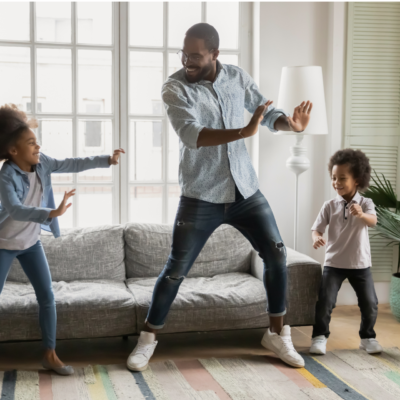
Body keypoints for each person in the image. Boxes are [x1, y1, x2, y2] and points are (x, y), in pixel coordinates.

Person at [127, 23, 312, 371]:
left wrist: (291, 125)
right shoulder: (174, 88)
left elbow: (266, 112)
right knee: (174, 270)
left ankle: (276, 334)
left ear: (215, 54)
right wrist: (244, 131)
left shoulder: (236, 77)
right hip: (201, 195)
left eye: (195, 55)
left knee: (276, 254)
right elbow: (191, 135)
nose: (187, 61)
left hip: (245, 189)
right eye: (184, 54)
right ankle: (148, 339)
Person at [0, 103, 125, 375]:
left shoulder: (43, 164)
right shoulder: (7, 175)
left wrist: (107, 159)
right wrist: (52, 212)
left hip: (31, 243)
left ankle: (50, 354)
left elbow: (73, 163)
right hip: (4, 245)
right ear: (13, 151)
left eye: (37, 141)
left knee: (47, 296)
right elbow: (14, 210)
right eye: (31, 143)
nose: (38, 146)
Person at [309, 149, 382, 355]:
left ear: (357, 180)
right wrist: (316, 238)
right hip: (334, 263)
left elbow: (373, 221)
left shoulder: (365, 203)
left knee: (370, 303)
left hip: (361, 264)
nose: (336, 182)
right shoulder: (329, 205)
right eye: (334, 178)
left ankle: (368, 338)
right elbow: (316, 228)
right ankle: (319, 337)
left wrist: (361, 214)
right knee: (325, 302)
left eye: (342, 178)